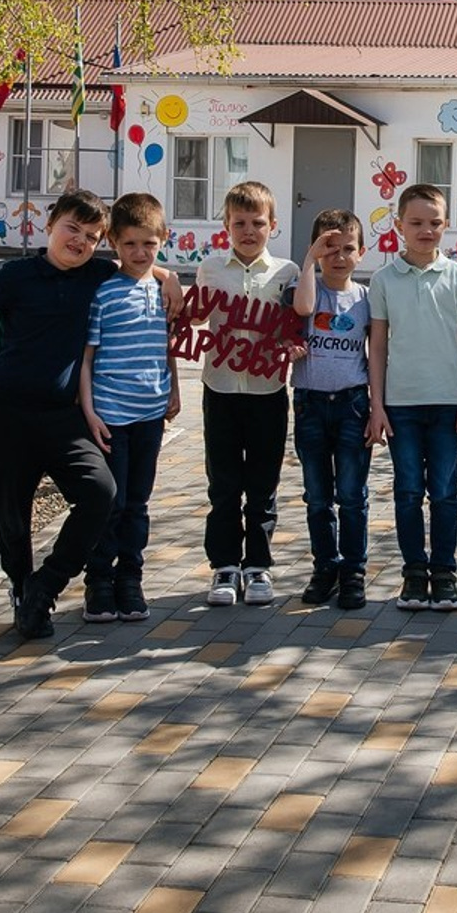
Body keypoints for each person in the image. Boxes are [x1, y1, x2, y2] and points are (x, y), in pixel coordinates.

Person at [0, 188, 180, 639]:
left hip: (63, 420)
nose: (80, 241)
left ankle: (47, 585)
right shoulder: (16, 276)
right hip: (10, 418)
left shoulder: (95, 274)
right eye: (73, 228)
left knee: (101, 493)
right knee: (13, 519)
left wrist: (168, 276)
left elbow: (142, 258)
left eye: (92, 235)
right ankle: (23, 595)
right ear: (50, 223)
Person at [368, 184, 457, 612]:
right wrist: (377, 405)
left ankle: (445, 573)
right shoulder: (383, 280)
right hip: (401, 406)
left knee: (446, 492)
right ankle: (414, 573)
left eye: (434, 223)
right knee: (408, 490)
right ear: (399, 226)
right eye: (416, 223)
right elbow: (377, 346)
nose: (426, 230)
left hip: (449, 404)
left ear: (446, 225)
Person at [195, 181, 299, 608]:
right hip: (219, 388)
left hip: (267, 391)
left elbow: (298, 321)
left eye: (258, 222)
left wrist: (294, 344)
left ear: (272, 225)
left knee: (263, 483)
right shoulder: (211, 268)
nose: (249, 231)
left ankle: (258, 564)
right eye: (240, 223)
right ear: (226, 226)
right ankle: (224, 565)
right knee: (222, 482)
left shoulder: (287, 272)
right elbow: (195, 314)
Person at [79, 193, 180, 624]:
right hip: (110, 417)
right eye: (130, 245)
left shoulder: (163, 291)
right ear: (113, 243)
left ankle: (130, 579)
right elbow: (86, 358)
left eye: (149, 245)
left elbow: (167, 345)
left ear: (163, 240)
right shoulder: (103, 294)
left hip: (150, 415)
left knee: (138, 502)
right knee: (111, 503)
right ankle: (98, 582)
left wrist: (174, 387)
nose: (140, 254)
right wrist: (90, 411)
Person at [291, 209, 373, 611]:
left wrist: (377, 408)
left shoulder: (365, 299)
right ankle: (325, 566)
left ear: (362, 252)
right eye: (329, 248)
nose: (338, 257)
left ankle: (353, 570)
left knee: (352, 495)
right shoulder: (307, 287)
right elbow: (304, 309)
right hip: (310, 404)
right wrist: (309, 261)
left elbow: (376, 355)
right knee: (318, 496)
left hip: (352, 404)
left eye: (347, 249)